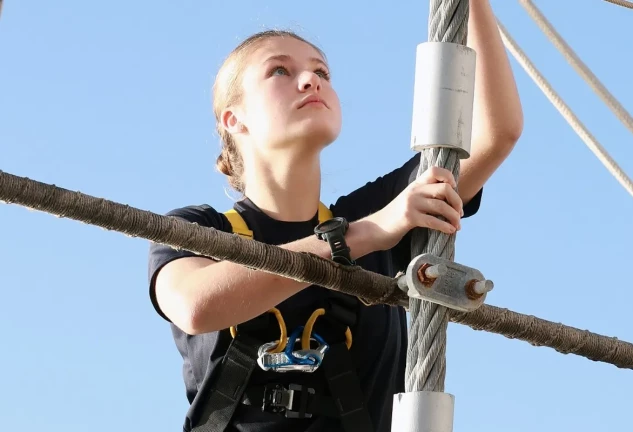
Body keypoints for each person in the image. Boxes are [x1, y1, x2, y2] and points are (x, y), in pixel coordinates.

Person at [147, 2, 523, 431]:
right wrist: (365, 236)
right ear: (234, 119)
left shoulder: (379, 212)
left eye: (322, 73)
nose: (311, 80)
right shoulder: (198, 230)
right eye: (280, 71)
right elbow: (196, 306)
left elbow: (493, 134)